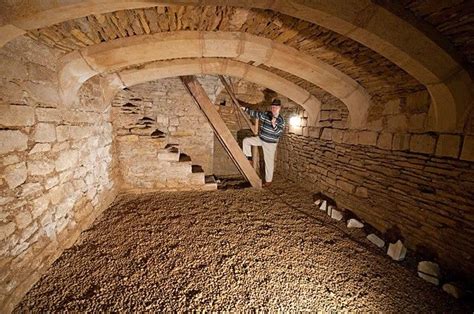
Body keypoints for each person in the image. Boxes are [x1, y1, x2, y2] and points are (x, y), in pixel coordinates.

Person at [242, 99, 285, 187]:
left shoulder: (281, 120)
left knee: (268, 162)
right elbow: (256, 114)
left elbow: (278, 133)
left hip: (270, 143)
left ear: (279, 108)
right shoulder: (267, 114)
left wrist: (274, 125)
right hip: (261, 139)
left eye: (276, 107)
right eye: (273, 107)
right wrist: (245, 109)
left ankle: (268, 181)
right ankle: (249, 158)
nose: (274, 109)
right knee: (246, 141)